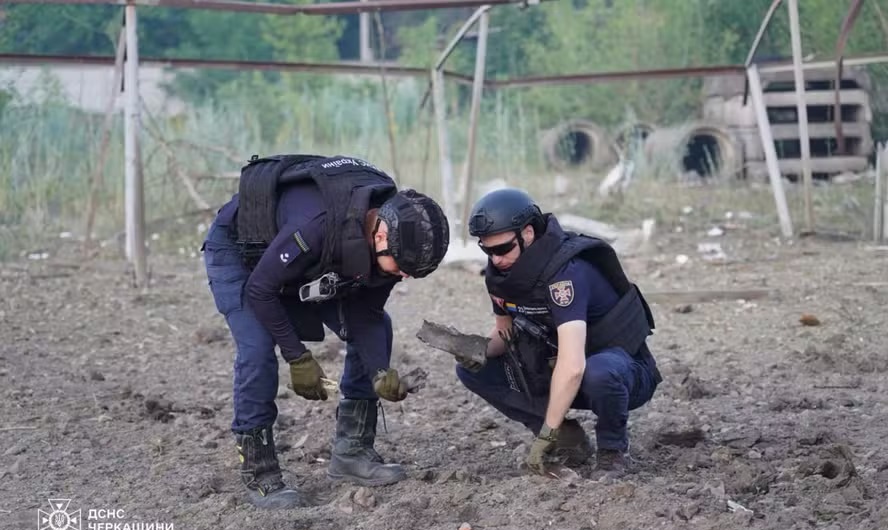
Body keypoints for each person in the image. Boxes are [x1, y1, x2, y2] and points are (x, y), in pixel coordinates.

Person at [203, 154, 449, 509]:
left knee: (379, 327)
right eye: (402, 268)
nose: (405, 275)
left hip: (304, 261)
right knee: (257, 349)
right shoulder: (316, 226)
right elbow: (260, 290)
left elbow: (367, 315)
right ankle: (260, 472)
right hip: (241, 252)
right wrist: (298, 357)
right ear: (380, 234)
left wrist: (380, 371)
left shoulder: (391, 241)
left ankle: (352, 453)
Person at [455, 188, 660, 476]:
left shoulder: (565, 274)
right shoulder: (502, 275)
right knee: (473, 369)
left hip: (620, 374)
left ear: (527, 234)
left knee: (598, 371)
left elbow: (573, 366)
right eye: (487, 250)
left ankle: (612, 450)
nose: (495, 259)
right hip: (559, 371)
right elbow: (505, 331)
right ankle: (567, 437)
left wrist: (545, 433)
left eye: (502, 249)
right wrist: (473, 350)